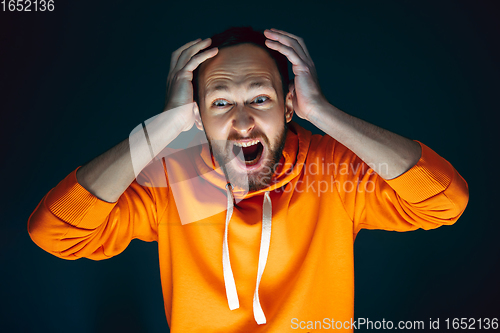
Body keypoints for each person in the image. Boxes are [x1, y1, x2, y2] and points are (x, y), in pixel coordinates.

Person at [28, 26, 469, 332]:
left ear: (288, 106)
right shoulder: (170, 181)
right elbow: (56, 233)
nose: (242, 121)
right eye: (220, 103)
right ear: (197, 117)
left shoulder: (332, 172)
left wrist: (324, 113)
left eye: (260, 97)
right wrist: (165, 125)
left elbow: (445, 201)